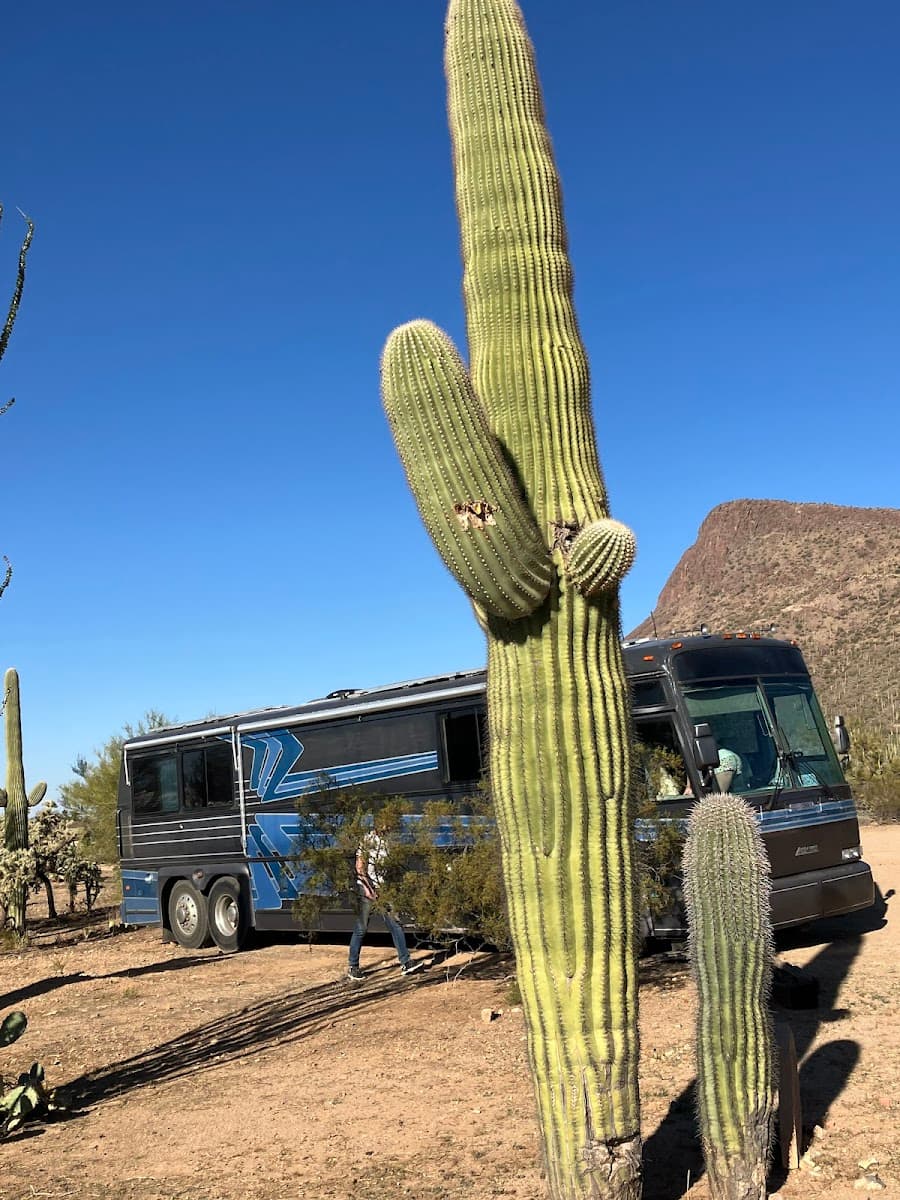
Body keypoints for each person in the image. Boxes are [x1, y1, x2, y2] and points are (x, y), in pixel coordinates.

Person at [347, 821, 423, 982]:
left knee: (395, 924)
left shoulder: (388, 841)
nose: (387, 827)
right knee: (362, 927)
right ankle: (353, 966)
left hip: (383, 888)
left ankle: (406, 962)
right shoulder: (368, 839)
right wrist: (368, 889)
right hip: (367, 887)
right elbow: (360, 867)